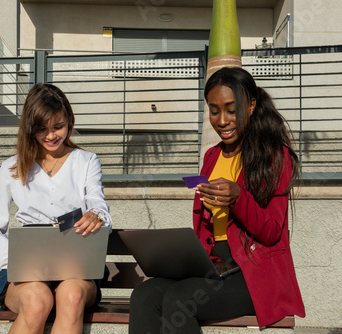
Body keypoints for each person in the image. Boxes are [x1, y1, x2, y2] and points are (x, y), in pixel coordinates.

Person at [129, 66, 305, 333]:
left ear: (252, 105)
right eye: (214, 110)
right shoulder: (212, 156)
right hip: (214, 268)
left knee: (180, 299)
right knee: (144, 294)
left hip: (252, 275)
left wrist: (238, 197)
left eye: (231, 110)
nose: (222, 120)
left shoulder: (274, 156)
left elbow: (271, 232)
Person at [0, 83, 112, 334]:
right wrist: (19, 260)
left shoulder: (86, 161)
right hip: (25, 273)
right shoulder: (11, 168)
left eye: (58, 126)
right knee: (38, 301)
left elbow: (97, 204)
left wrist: (97, 216)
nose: (51, 136)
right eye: (41, 129)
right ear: (30, 129)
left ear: (69, 121)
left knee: (71, 296)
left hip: (76, 268)